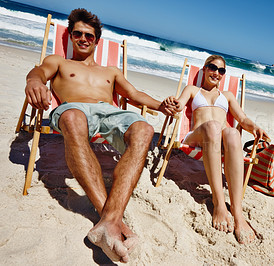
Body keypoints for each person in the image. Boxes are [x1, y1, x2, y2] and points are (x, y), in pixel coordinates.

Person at [24, 8, 175, 263]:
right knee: (72, 118)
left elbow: (134, 95)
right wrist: (34, 83)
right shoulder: (59, 62)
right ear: (71, 36)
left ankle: (108, 221)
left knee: (145, 129)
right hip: (74, 108)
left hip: (110, 112)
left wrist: (161, 105)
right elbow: (37, 73)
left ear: (97, 40)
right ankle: (113, 220)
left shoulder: (111, 71)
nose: (83, 39)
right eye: (77, 34)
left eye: (89, 36)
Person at [163, 55, 270, 244]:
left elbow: (243, 119)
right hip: (196, 136)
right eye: (213, 68)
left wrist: (255, 128)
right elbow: (179, 104)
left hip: (218, 141)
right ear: (204, 69)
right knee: (213, 126)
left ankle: (237, 213)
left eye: (221, 71)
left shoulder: (227, 96)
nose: (217, 73)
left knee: (233, 133)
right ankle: (219, 203)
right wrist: (173, 103)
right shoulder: (193, 90)